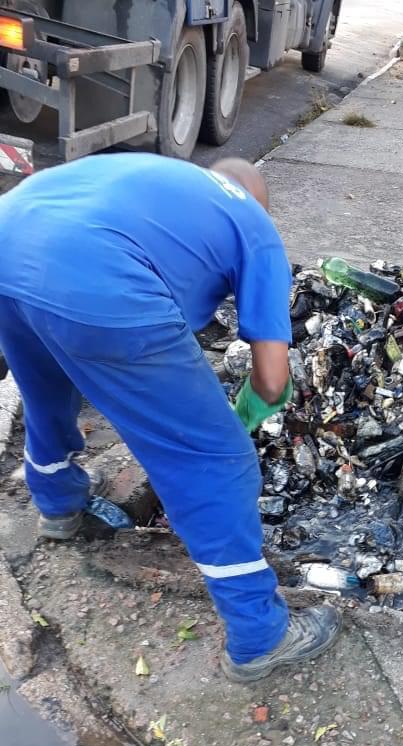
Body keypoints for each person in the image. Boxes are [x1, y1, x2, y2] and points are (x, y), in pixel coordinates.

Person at [0, 154, 340, 682]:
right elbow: (272, 380)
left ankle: (59, 507)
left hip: (8, 248)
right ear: (259, 202)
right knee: (216, 460)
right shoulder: (255, 226)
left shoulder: (166, 181)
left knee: (47, 391)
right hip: (101, 287)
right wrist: (242, 415)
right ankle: (260, 635)